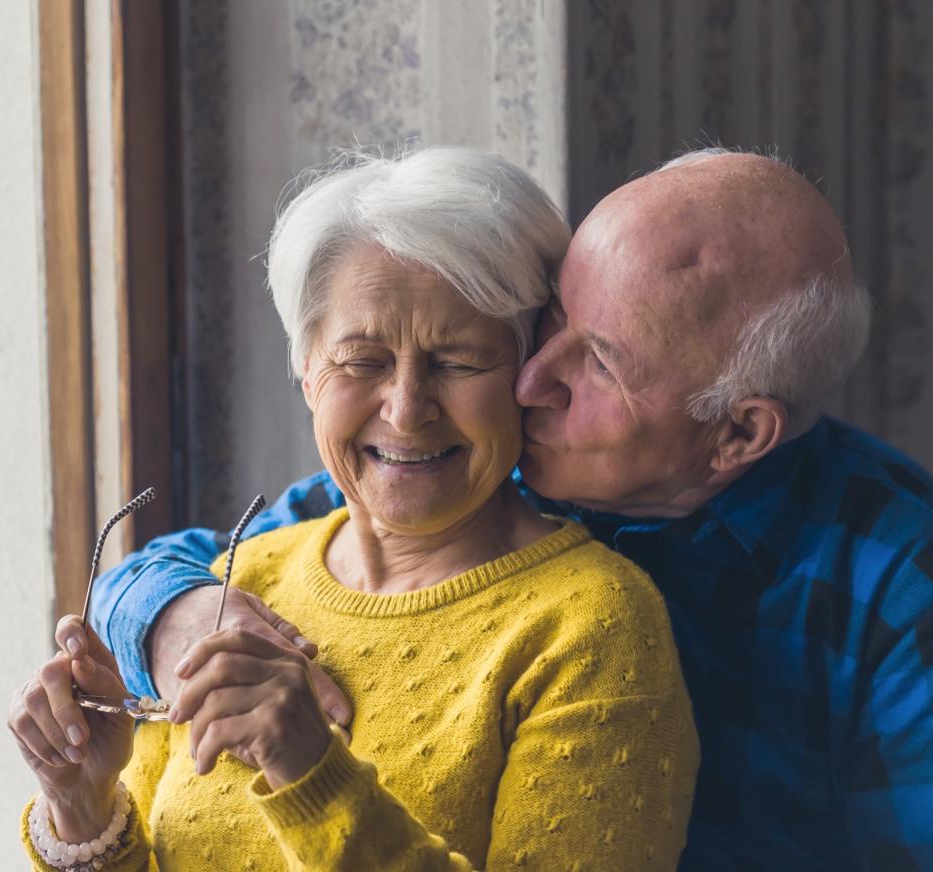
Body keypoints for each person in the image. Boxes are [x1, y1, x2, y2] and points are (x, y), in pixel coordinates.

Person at [84, 146, 933, 871]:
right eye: (554, 317)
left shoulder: (897, 583)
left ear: (738, 433)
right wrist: (177, 619)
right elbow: (154, 576)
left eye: (600, 361)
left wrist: (309, 769)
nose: (529, 378)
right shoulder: (490, 470)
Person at [9, 147, 699, 871]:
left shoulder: (595, 627)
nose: (405, 411)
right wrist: (82, 811)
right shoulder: (239, 582)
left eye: (458, 360)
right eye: (363, 361)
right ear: (308, 372)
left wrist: (313, 774)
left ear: (527, 372)